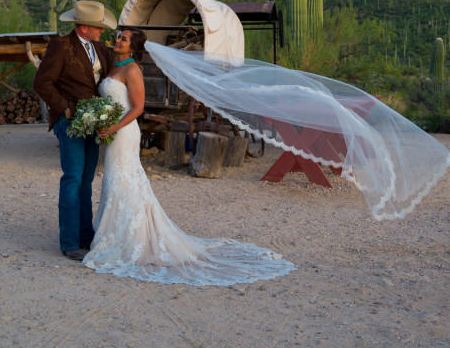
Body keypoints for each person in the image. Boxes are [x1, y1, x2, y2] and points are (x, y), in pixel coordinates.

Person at [85, 28, 295, 286]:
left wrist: (114, 126)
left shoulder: (132, 71)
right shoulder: (113, 68)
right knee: (113, 180)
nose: (117, 40)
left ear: (133, 47)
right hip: (112, 131)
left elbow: (138, 108)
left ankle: (130, 239)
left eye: (123, 39)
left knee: (123, 178)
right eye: (118, 36)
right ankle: (112, 233)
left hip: (124, 132)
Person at [33, 0, 116, 261]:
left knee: (87, 180)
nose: (102, 31)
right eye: (97, 27)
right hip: (69, 122)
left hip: (93, 122)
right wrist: (66, 109)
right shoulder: (61, 47)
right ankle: (69, 242)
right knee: (72, 178)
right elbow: (42, 83)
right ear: (83, 27)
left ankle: (85, 236)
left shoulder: (101, 49)